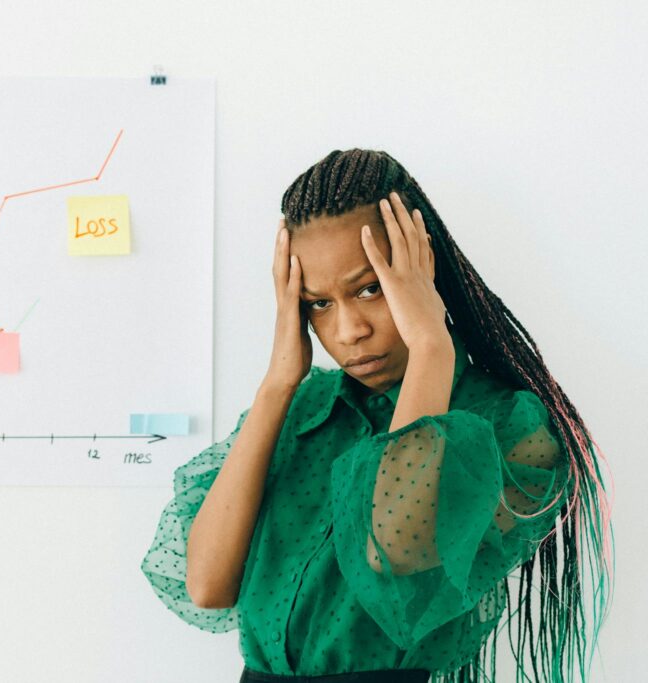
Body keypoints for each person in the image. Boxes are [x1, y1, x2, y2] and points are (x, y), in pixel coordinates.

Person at [140, 149, 614, 683]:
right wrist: (277, 384)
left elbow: (394, 552)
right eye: (319, 303)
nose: (348, 331)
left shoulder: (511, 426)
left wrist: (432, 345)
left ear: (421, 269)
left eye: (370, 289)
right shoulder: (300, 412)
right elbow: (206, 585)